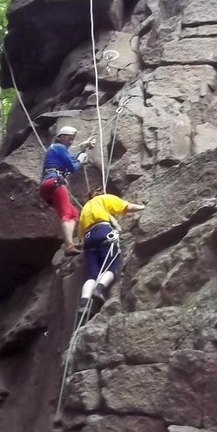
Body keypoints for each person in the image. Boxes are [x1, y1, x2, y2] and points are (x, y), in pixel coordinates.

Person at [76, 189, 145, 317]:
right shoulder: (103, 199)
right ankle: (99, 290)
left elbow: (80, 234)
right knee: (111, 267)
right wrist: (142, 207)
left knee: (92, 276)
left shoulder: (85, 209)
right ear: (99, 194)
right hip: (103, 232)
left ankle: (84, 304)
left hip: (88, 239)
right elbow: (126, 206)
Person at [40, 126, 94, 256]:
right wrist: (81, 159)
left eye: (72, 139)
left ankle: (69, 243)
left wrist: (82, 150)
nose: (70, 141)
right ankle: (69, 245)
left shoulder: (56, 149)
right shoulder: (59, 147)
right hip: (55, 182)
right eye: (69, 138)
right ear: (61, 136)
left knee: (73, 212)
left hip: (47, 186)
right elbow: (73, 166)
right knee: (66, 213)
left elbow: (70, 159)